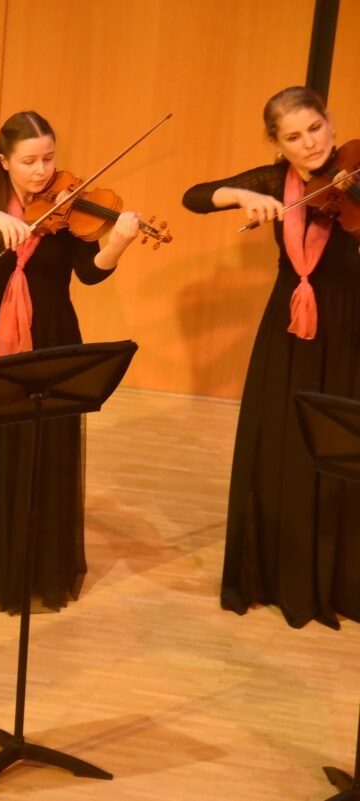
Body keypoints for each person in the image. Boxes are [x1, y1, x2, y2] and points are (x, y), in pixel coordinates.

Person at [0, 110, 141, 614]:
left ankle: (26, 570)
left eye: (48, 159)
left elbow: (90, 273)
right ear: (5, 162)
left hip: (49, 338)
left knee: (38, 453)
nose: (42, 171)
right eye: (29, 161)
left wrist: (118, 243)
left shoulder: (72, 207)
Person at [182, 86, 360, 629]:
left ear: (331, 123)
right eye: (294, 137)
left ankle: (341, 579)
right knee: (280, 441)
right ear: (277, 143)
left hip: (350, 324)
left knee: (344, 446)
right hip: (289, 325)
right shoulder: (275, 181)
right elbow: (194, 195)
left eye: (315, 129)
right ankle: (279, 576)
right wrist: (239, 196)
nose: (310, 144)